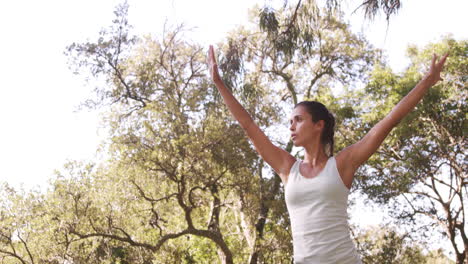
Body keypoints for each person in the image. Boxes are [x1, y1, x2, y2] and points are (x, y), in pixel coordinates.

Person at [207, 45, 448, 263]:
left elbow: (387, 123)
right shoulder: (287, 168)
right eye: (290, 121)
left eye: (299, 120)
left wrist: (425, 82)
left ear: (319, 125)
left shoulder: (342, 164)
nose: (291, 126)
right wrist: (219, 83)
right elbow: (248, 125)